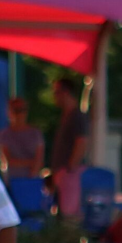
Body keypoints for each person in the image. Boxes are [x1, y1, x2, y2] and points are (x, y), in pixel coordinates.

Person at [50, 77, 89, 218]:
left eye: (56, 92)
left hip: (70, 174)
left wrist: (70, 168)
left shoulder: (76, 115)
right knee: (62, 212)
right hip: (63, 173)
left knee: (69, 215)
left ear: (65, 92)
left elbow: (81, 142)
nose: (54, 96)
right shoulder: (66, 115)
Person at [0, 97, 45, 182]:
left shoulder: (36, 133)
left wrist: (32, 176)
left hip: (33, 181)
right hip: (11, 182)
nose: (20, 114)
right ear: (9, 112)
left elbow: (39, 159)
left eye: (23, 110)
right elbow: (8, 160)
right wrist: (31, 162)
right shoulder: (4, 135)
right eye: (16, 110)